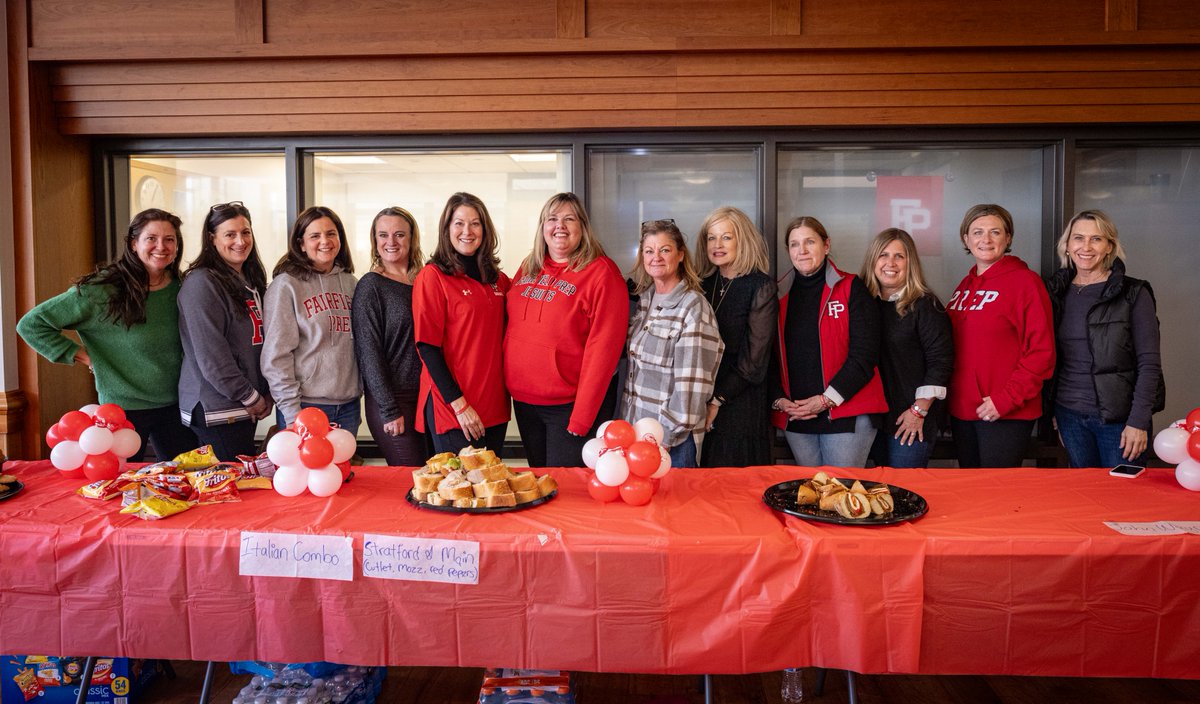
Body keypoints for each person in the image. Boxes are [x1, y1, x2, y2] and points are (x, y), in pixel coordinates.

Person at [17, 208, 198, 461]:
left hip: (177, 405)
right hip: (123, 410)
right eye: (151, 238)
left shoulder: (183, 287)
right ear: (134, 244)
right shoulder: (102, 290)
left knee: (187, 482)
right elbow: (31, 324)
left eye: (170, 239)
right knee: (121, 490)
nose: (162, 246)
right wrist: (86, 357)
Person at [504, 193, 628, 467]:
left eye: (569, 219)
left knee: (566, 493)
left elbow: (603, 350)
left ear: (582, 227)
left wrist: (582, 416)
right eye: (552, 219)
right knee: (538, 482)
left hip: (568, 407)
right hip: (524, 403)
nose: (560, 226)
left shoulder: (601, 273)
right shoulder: (529, 267)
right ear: (543, 228)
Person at [1045, 210, 1164, 467]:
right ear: (1067, 245)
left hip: (1120, 421)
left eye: (1096, 239)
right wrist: (1055, 409)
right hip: (1070, 415)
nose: (1085, 247)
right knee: (1086, 498)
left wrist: (1138, 421)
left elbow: (1149, 364)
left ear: (1109, 246)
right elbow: (1052, 357)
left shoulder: (1134, 292)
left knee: (1124, 500)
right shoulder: (1055, 292)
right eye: (1078, 238)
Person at [772, 216, 886, 468]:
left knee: (841, 494)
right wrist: (780, 400)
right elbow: (767, 356)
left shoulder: (851, 287)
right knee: (812, 495)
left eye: (809, 242)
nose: (801, 251)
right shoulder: (777, 294)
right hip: (798, 415)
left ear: (826, 245)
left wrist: (825, 400)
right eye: (794, 244)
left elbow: (864, 356)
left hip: (845, 412)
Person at [947, 204, 1055, 468]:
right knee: (970, 493)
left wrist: (1006, 399)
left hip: (1004, 411)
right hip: (963, 410)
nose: (986, 239)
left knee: (996, 496)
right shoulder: (964, 285)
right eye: (978, 232)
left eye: (995, 232)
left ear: (1008, 238)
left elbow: (1042, 352)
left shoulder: (1025, 282)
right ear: (966, 239)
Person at [413, 192, 511, 456]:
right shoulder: (433, 277)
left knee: (491, 491)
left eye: (475, 223)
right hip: (454, 407)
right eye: (459, 223)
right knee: (461, 492)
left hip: (494, 405)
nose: (467, 231)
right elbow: (427, 348)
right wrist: (460, 406)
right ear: (447, 229)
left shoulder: (498, 280)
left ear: (485, 229)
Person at [621, 219, 723, 468]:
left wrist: (662, 437)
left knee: (673, 506)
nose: (656, 257)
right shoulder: (644, 302)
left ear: (680, 255)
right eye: (649, 250)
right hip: (636, 433)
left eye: (664, 250)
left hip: (671, 443)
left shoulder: (693, 307)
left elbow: (692, 386)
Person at [177, 201, 273, 459]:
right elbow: (212, 357)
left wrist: (265, 392)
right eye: (230, 234)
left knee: (239, 487)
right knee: (229, 491)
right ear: (212, 239)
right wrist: (251, 397)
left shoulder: (248, 280)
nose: (240, 241)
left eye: (245, 232)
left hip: (241, 406)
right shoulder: (202, 282)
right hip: (216, 407)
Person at [261, 206, 361, 433]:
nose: (325, 241)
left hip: (348, 406)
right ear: (301, 244)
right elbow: (276, 357)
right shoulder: (286, 286)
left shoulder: (351, 283)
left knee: (341, 469)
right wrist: (291, 413)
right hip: (305, 405)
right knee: (306, 469)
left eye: (331, 234)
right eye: (315, 236)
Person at [860, 228, 954, 468]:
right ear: (873, 260)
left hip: (910, 418)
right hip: (873, 417)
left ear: (909, 263)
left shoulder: (924, 305)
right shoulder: (863, 304)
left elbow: (941, 361)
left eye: (899, 256)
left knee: (904, 493)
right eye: (883, 255)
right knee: (879, 490)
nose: (890, 263)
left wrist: (918, 411)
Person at [693, 206, 778, 467]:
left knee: (734, 483)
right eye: (711, 237)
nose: (717, 245)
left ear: (742, 240)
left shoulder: (760, 286)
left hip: (740, 400)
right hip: (702, 396)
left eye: (727, 237)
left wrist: (717, 400)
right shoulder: (702, 284)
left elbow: (754, 361)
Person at [351, 206, 427, 466]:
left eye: (399, 235)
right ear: (374, 240)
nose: (391, 242)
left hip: (428, 399)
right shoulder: (371, 286)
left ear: (412, 238)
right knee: (410, 476)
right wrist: (389, 408)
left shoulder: (425, 281)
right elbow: (368, 354)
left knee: (435, 479)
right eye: (383, 235)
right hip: (394, 401)